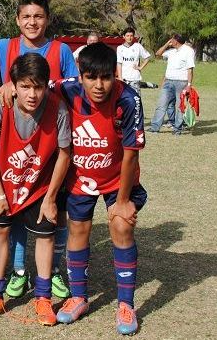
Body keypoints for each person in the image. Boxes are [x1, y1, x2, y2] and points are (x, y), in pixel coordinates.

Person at [50, 42, 147, 335]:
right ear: (80, 76)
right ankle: (79, 298)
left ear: (114, 74)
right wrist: (9, 88)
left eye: (105, 77)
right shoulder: (66, 88)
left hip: (118, 179)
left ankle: (126, 304)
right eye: (91, 77)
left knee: (120, 225)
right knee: (77, 232)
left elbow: (131, 154)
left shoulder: (128, 99)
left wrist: (122, 201)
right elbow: (36, 83)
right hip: (81, 179)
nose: (99, 84)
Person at [0, 53, 71, 326]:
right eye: (25, 86)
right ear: (13, 85)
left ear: (47, 85)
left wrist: (51, 198)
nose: (32, 94)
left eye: (38, 86)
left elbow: (65, 154)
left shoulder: (58, 109)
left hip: (40, 186)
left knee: (45, 234)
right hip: (6, 183)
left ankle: (43, 297)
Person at [150, 34, 195, 135]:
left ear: (176, 41)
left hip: (181, 82)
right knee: (161, 104)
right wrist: (166, 44)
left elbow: (190, 69)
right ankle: (155, 128)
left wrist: (189, 84)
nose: (170, 41)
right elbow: (158, 53)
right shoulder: (172, 51)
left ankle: (177, 129)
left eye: (172, 39)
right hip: (168, 82)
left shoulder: (188, 51)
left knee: (180, 106)